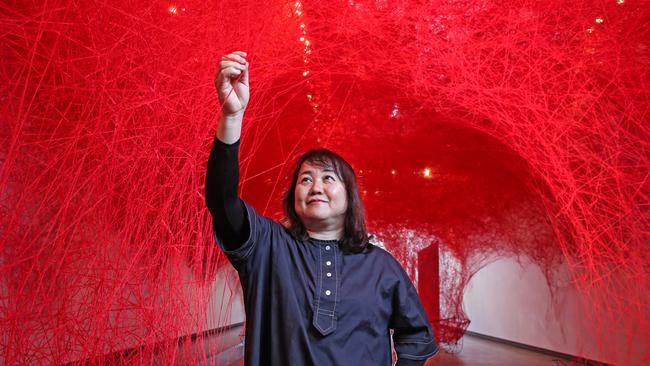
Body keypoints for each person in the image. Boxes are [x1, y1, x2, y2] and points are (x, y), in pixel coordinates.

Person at [205, 51, 438, 366]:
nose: (315, 187)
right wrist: (231, 117)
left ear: (349, 196)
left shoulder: (381, 266)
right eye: (305, 180)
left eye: (328, 178)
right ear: (294, 197)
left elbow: (417, 335)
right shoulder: (268, 248)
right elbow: (222, 202)